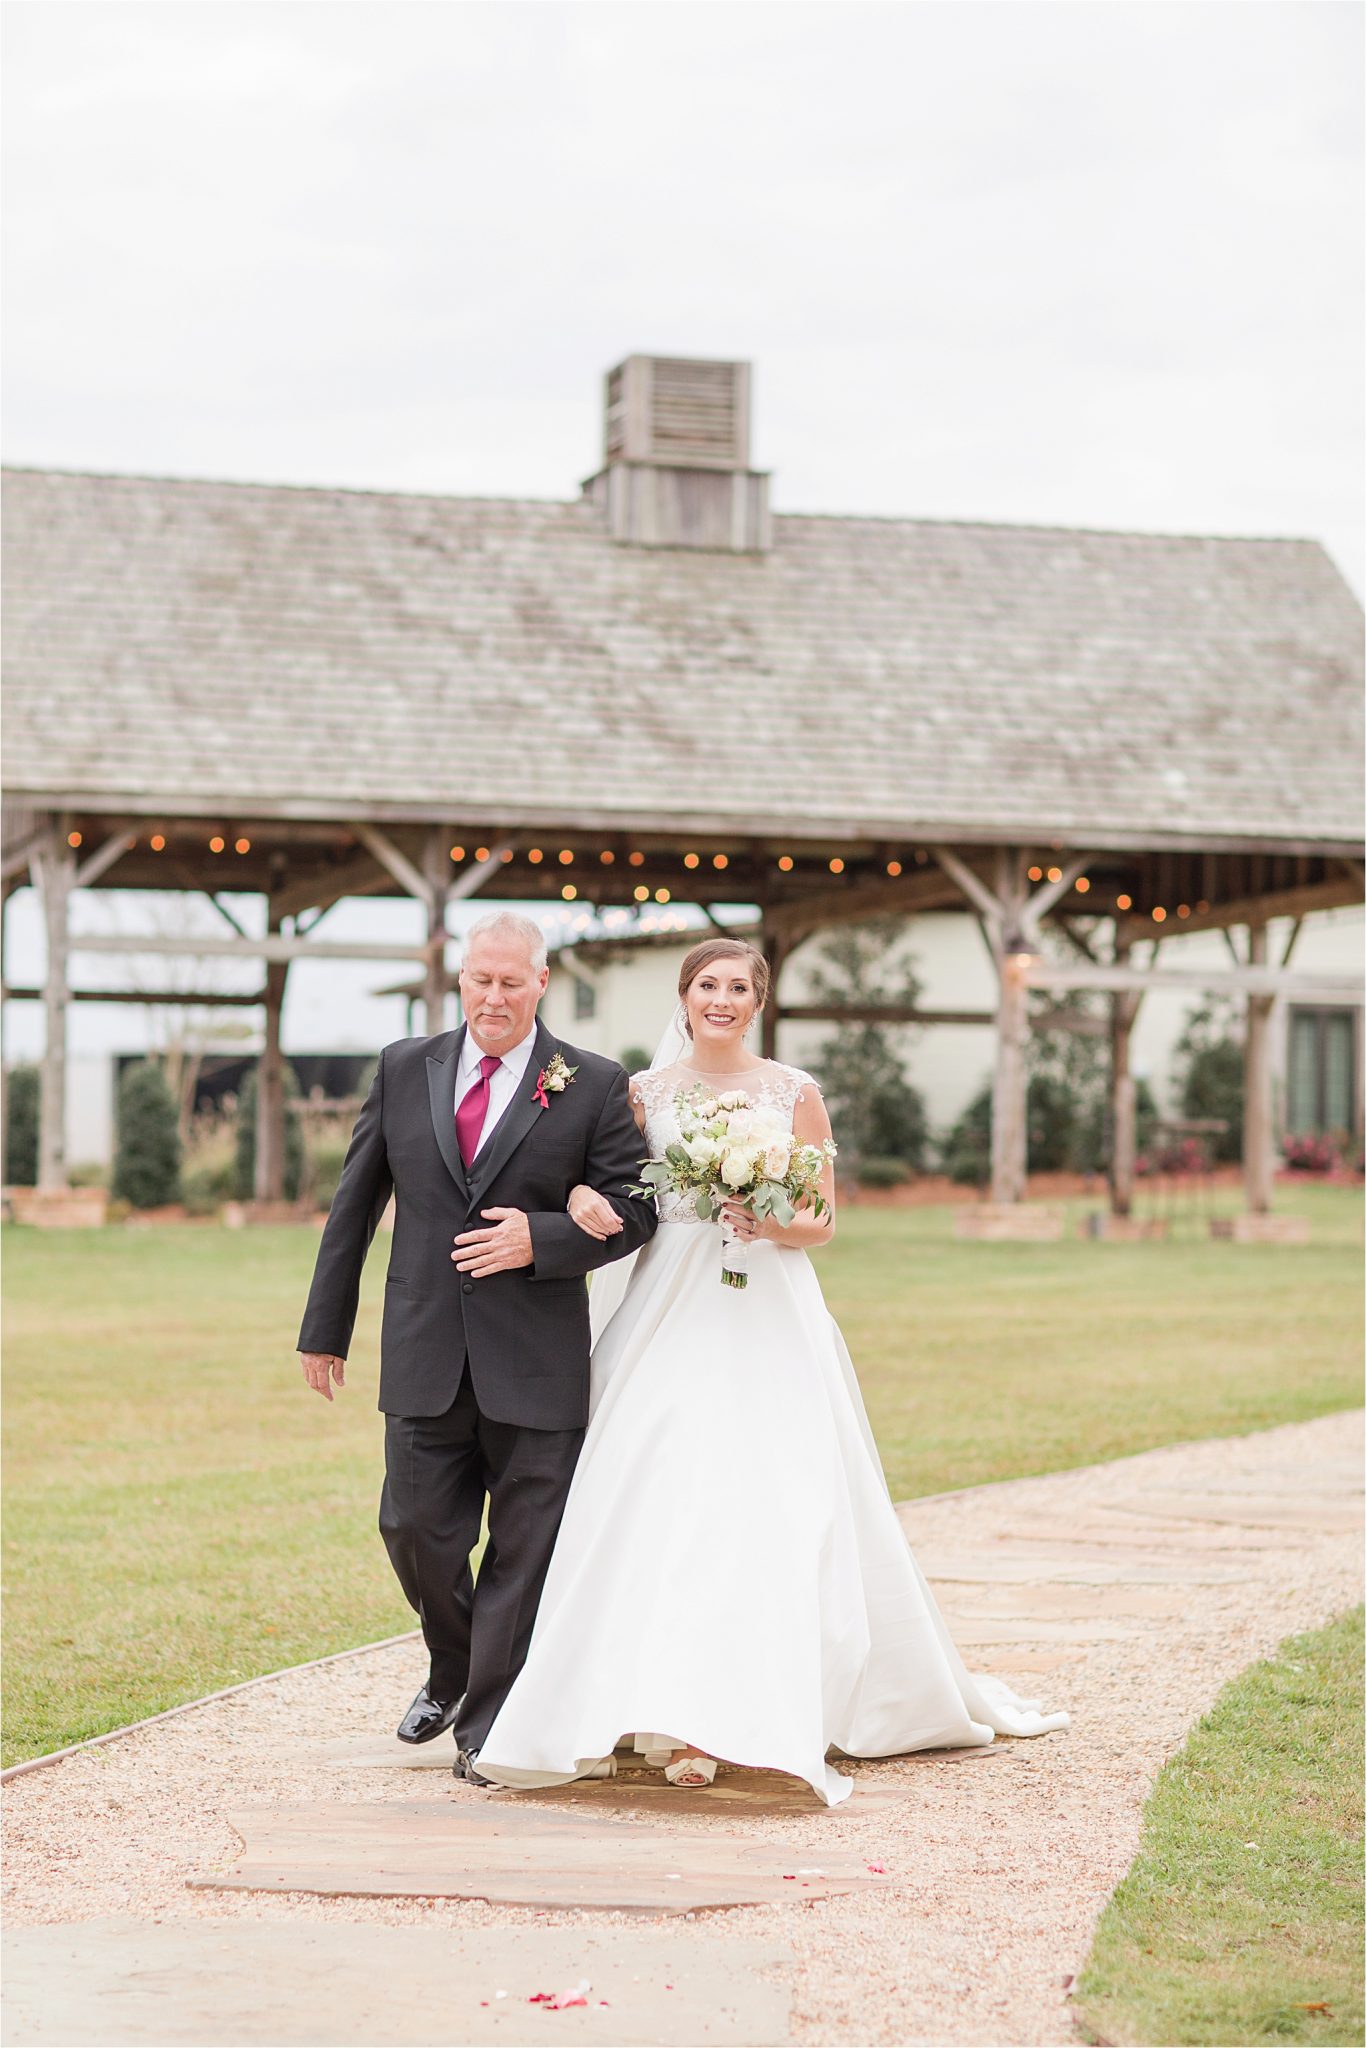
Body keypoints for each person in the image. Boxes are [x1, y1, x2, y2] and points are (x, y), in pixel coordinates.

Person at [476, 936, 1069, 1805]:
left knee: (771, 1498)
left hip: (766, 1307)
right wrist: (577, 1200)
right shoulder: (639, 1095)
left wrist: (766, 1218)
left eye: (738, 988)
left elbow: (822, 1221)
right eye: (707, 985)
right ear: (683, 998)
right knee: (648, 1486)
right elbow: (592, 1181)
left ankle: (743, 1709)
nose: (722, 1000)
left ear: (758, 1001)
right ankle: (638, 1712)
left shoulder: (794, 1093)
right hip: (668, 1304)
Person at [296, 910, 657, 1784]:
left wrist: (545, 1238)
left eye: (511, 981)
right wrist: (324, 1328)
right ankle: (453, 1667)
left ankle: (489, 1722)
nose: (493, 997)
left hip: (535, 1358)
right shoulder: (403, 1067)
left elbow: (637, 1207)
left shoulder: (593, 1084)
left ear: (541, 983)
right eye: (479, 980)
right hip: (423, 1345)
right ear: (461, 980)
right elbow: (355, 1206)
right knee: (413, 1527)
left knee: (524, 1550)